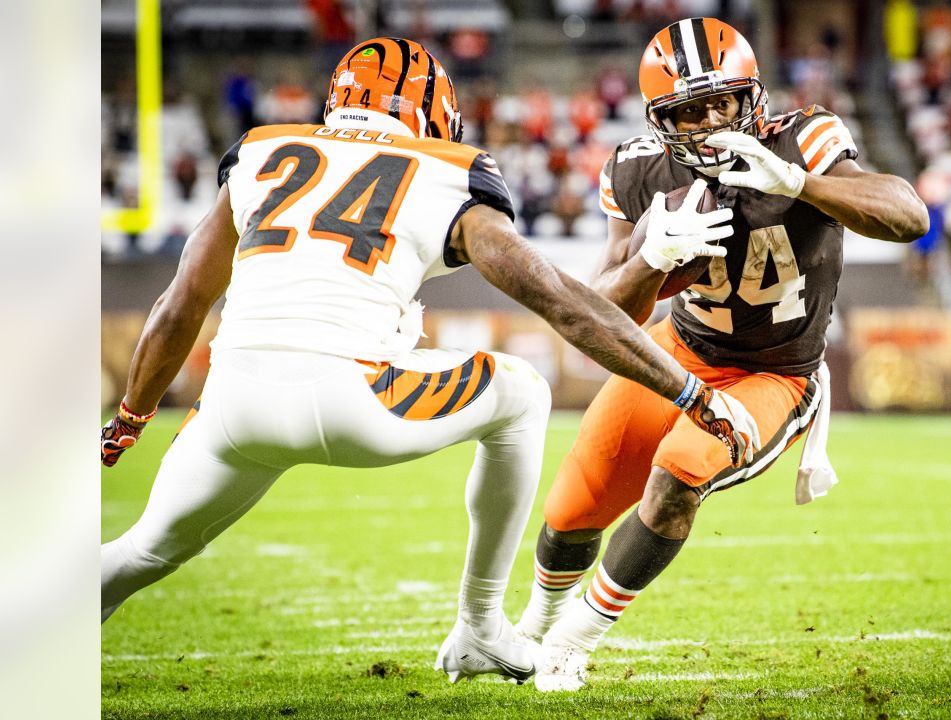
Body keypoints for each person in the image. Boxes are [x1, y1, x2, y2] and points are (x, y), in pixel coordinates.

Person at [99, 37, 762, 686]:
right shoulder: (445, 167)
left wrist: (128, 419)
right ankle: (479, 626)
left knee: (142, 551)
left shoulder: (260, 151)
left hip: (231, 405)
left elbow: (179, 304)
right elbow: (559, 301)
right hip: (351, 399)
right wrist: (690, 394)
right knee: (524, 393)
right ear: (425, 110)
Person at [512, 18, 930, 691]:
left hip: (775, 371)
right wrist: (650, 260)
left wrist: (799, 183)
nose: (708, 121)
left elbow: (909, 216)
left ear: (752, 97)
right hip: (679, 350)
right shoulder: (637, 168)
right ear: (659, 119)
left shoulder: (807, 138)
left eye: (722, 102)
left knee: (681, 470)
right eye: (687, 110)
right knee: (571, 507)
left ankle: (571, 641)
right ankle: (528, 629)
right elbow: (604, 314)